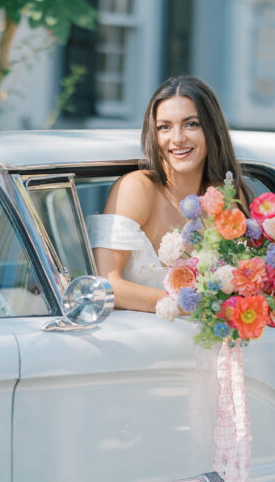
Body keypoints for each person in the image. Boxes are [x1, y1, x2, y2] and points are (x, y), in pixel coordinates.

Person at [87, 75, 248, 312]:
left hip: (209, 341)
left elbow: (243, 282)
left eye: (191, 124)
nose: (177, 138)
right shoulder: (137, 189)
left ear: (212, 129)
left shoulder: (226, 197)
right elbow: (108, 285)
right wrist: (194, 306)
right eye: (164, 127)